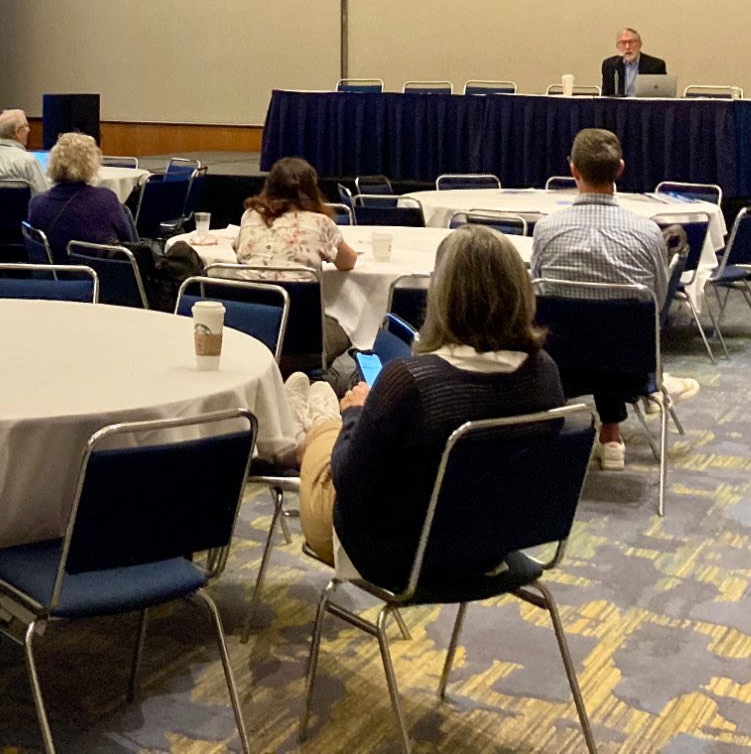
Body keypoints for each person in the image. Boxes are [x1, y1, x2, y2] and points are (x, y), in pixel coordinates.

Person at [291, 224, 564, 589]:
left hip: (391, 556)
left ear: (443, 294)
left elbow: (349, 485)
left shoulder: (411, 382)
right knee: (337, 415)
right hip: (490, 548)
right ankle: (312, 407)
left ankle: (309, 418)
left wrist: (355, 414)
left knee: (325, 430)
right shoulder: (545, 374)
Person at [530, 127, 695, 470]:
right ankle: (612, 436)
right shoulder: (648, 232)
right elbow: (657, 305)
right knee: (612, 324)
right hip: (628, 369)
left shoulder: (546, 229)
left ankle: (556, 437)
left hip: (559, 366)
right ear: (620, 169)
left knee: (582, 322)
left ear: (572, 170)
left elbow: (538, 296)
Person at [234, 157, 360, 371]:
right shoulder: (320, 223)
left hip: (248, 336)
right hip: (303, 344)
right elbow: (348, 262)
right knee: (350, 323)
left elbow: (238, 251)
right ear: (312, 189)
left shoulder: (250, 216)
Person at [26, 132, 136, 260]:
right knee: (126, 211)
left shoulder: (37, 203)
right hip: (100, 274)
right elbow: (128, 241)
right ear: (91, 164)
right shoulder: (106, 199)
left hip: (56, 274)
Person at [0, 108, 48, 194]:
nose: (29, 130)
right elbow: (44, 196)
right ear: (17, 131)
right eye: (27, 125)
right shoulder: (28, 160)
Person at [601, 27, 667, 97]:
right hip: (619, 106)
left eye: (631, 42)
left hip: (645, 106)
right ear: (617, 46)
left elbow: (661, 96)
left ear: (640, 44)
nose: (627, 47)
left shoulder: (656, 65)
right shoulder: (609, 65)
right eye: (623, 43)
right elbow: (605, 96)